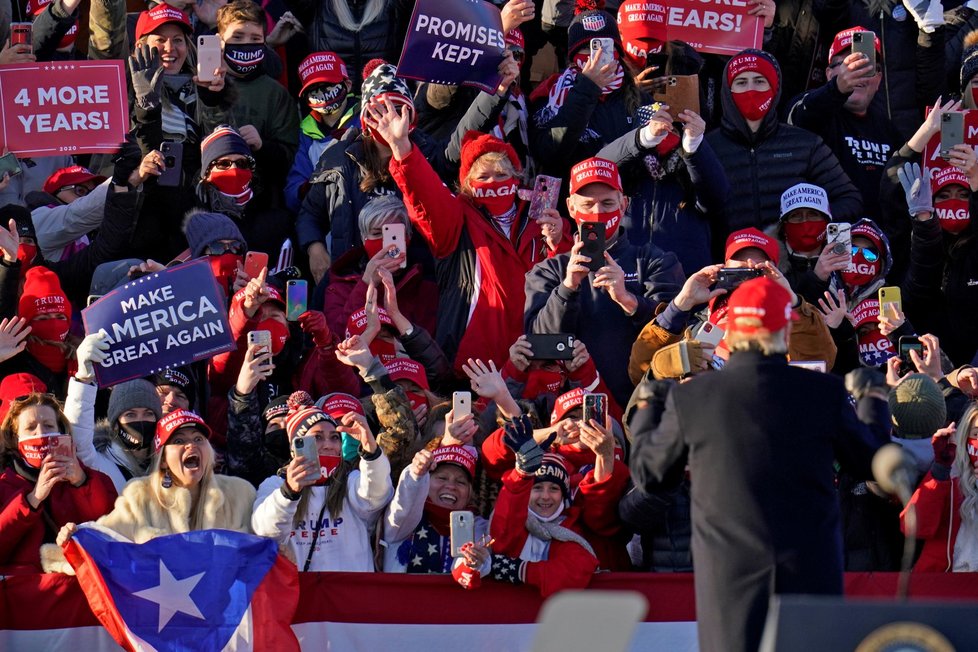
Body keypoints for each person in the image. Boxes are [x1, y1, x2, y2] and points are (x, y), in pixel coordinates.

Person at [629, 275, 891, 652]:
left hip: (729, 581)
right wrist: (873, 400)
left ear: (732, 332)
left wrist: (646, 409)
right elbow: (872, 461)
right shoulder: (822, 393)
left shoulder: (694, 398)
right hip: (809, 573)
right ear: (785, 329)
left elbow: (650, 476)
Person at [370, 94, 570, 372]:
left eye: (501, 175)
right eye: (483, 177)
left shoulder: (541, 218)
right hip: (476, 366)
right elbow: (425, 197)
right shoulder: (456, 220)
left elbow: (566, 280)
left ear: (516, 177)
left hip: (537, 361)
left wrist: (560, 241)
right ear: (467, 184)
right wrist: (402, 147)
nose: (494, 183)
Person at [524, 156, 684, 408]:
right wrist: (567, 289)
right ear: (571, 207)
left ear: (624, 204)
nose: (598, 212)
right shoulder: (549, 270)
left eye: (608, 202)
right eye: (588, 205)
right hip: (573, 412)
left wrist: (628, 300)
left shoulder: (656, 260)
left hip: (646, 405)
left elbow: (676, 332)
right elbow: (539, 347)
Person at [53, 409, 255, 566]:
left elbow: (268, 547)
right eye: (178, 441)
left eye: (198, 439)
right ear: (164, 460)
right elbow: (103, 540)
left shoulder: (240, 494)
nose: (191, 446)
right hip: (168, 616)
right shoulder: (140, 497)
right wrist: (72, 540)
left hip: (227, 613)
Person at [705, 49, 862, 234]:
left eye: (759, 81)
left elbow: (850, 200)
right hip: (726, 260)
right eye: (741, 82)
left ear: (775, 88)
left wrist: (809, 225)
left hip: (789, 260)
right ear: (728, 90)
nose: (751, 90)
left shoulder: (805, 144)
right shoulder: (707, 148)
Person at [251, 391, 393, 571]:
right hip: (300, 593)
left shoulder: (350, 480)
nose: (328, 445)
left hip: (349, 593)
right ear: (297, 444)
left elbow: (376, 496)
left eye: (335, 437)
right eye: (317, 437)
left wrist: (371, 451)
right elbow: (266, 531)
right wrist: (289, 492)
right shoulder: (275, 485)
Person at [0, 393, 116, 574]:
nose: (41, 433)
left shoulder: (91, 478)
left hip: (83, 592)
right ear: (15, 439)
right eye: (31, 428)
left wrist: (81, 482)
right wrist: (32, 500)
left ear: (60, 431)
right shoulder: (5, 487)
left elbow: (113, 530)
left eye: (48, 425)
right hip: (29, 596)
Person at [382, 445, 492, 588]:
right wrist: (416, 474)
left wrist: (473, 563)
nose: (451, 486)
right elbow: (404, 505)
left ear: (469, 493)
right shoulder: (406, 522)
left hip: (452, 608)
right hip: (402, 606)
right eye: (442, 478)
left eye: (460, 482)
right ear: (426, 481)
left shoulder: (476, 526)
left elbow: (477, 566)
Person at [902, 404, 978, 571]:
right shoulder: (949, 475)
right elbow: (912, 528)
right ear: (964, 438)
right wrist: (940, 469)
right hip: (946, 584)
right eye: (976, 434)